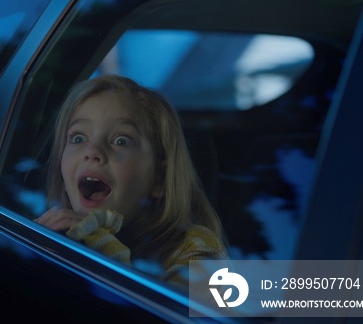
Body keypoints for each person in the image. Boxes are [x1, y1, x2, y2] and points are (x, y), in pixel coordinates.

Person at [34, 75, 227, 285]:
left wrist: (106, 257)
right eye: (78, 138)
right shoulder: (50, 230)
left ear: (159, 178)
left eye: (121, 141)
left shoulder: (197, 247)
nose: (92, 151)